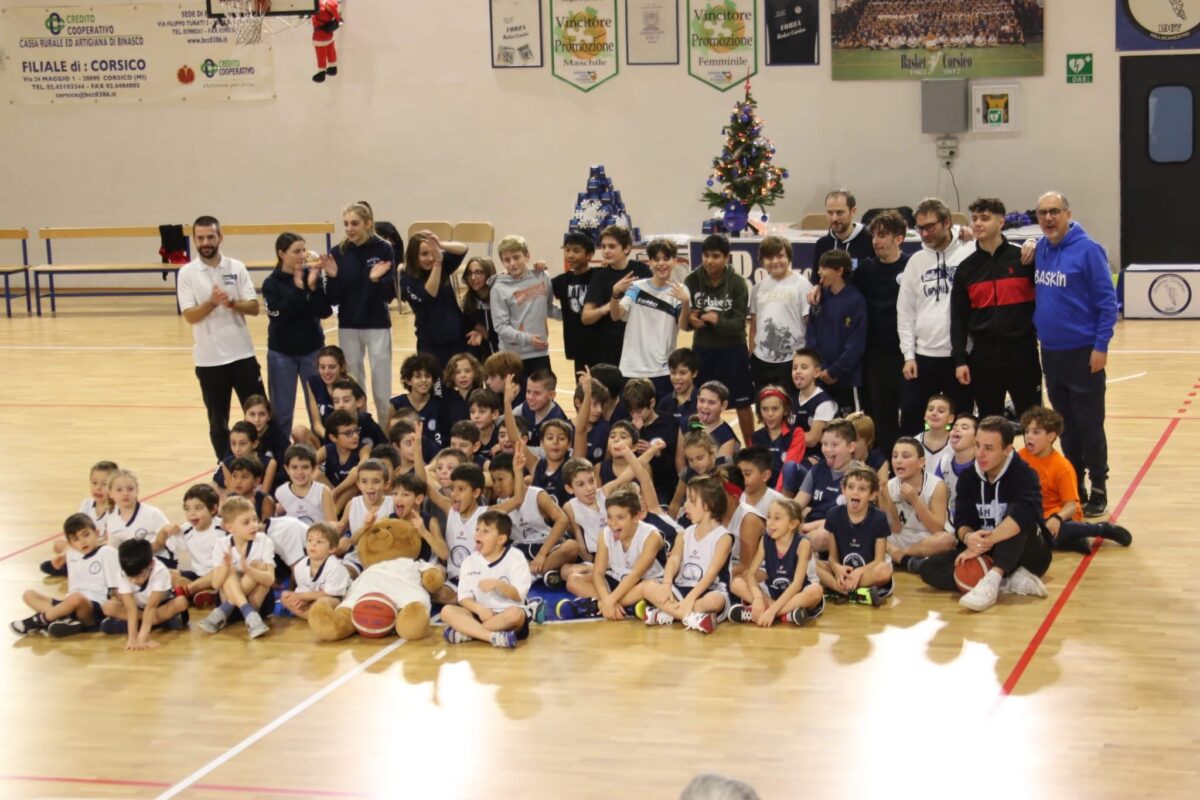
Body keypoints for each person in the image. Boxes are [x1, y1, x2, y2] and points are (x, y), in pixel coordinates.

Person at [1031, 191, 1119, 517]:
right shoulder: (1040, 248)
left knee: (1090, 425)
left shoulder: (1088, 250)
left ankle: (1099, 485)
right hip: (1051, 354)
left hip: (1083, 353)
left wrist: (1101, 346)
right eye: (1042, 213)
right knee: (1065, 425)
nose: (1049, 218)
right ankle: (1075, 485)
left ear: (1068, 214)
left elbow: (1108, 303)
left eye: (1054, 211)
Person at [918, 416, 1054, 612]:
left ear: (1007, 450)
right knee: (929, 568)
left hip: (1030, 553)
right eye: (977, 445)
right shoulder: (968, 477)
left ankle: (992, 581)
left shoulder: (1024, 474)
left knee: (1016, 520)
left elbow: (1024, 515)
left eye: (989, 448)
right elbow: (962, 519)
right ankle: (1006, 582)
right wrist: (968, 537)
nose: (980, 454)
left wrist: (983, 543)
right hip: (986, 550)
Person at [177, 214, 265, 459]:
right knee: (218, 421)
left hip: (242, 355)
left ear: (220, 237)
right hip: (209, 361)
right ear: (194, 240)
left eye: (210, 237)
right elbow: (190, 316)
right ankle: (225, 465)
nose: (205, 242)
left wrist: (232, 303)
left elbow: (254, 307)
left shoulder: (236, 267)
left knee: (259, 412)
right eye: (200, 237)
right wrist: (212, 303)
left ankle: (265, 460)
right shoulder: (187, 273)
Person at [951, 197, 1042, 419]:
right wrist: (960, 360)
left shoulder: (1024, 261)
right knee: (989, 424)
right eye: (974, 219)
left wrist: (1034, 242)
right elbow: (958, 319)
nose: (978, 224)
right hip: (983, 360)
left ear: (1001, 223)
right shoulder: (966, 269)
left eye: (985, 218)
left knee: (1034, 423)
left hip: (1023, 355)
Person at [897, 197, 974, 433]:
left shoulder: (970, 250)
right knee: (911, 418)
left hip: (960, 356)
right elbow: (905, 311)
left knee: (961, 420)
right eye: (920, 228)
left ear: (947, 222)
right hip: (923, 356)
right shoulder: (916, 262)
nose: (924, 234)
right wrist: (908, 354)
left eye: (930, 226)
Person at [1018, 406, 1132, 552]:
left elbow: (1071, 506)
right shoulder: (1020, 457)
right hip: (1034, 515)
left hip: (1060, 515)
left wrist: (1057, 518)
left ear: (1051, 436)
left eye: (1036, 432)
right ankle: (1074, 541)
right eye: (1026, 431)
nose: (1028, 436)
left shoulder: (1062, 467)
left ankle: (1099, 529)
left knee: (1044, 535)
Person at [324, 201, 396, 423]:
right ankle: (360, 431)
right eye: (346, 224)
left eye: (354, 223)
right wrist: (333, 278)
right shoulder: (338, 252)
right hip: (349, 326)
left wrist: (375, 280)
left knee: (382, 391)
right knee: (355, 388)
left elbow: (389, 295)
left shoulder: (384, 249)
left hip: (377, 325)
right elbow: (333, 299)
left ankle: (384, 436)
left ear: (368, 223)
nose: (349, 229)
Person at [684, 234, 756, 442]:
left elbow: (738, 324)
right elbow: (684, 320)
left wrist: (717, 320)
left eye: (716, 256)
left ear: (727, 258)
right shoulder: (692, 280)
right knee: (700, 403)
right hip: (702, 351)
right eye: (706, 256)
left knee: (742, 403)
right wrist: (691, 321)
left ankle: (750, 448)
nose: (709, 261)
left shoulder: (737, 284)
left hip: (733, 351)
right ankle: (698, 442)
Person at [640, 475, 733, 633]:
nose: (685, 505)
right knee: (647, 587)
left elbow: (711, 573)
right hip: (683, 588)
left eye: (691, 500)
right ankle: (690, 617)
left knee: (714, 601)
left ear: (708, 505)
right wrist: (667, 584)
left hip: (710, 589)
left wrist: (690, 599)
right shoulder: (684, 533)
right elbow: (674, 560)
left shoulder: (723, 537)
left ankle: (668, 613)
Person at [261, 232, 333, 437]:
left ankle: (322, 455)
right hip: (282, 353)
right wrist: (300, 289)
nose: (302, 255)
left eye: (304, 250)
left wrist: (313, 287)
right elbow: (278, 316)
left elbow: (325, 312)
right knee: (282, 412)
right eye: (296, 251)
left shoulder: (313, 276)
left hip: (312, 351)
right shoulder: (271, 284)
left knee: (318, 410)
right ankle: (282, 455)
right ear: (282, 254)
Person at [852, 211, 911, 455]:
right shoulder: (866, 270)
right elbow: (844, 295)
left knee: (910, 411)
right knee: (881, 414)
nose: (876, 240)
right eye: (874, 235)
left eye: (883, 235)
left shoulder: (911, 266)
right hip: (875, 354)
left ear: (899, 239)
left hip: (906, 354)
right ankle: (887, 465)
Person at [11, 513, 118, 637]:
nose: (82, 541)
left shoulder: (108, 553)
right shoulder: (71, 554)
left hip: (93, 609)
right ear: (70, 543)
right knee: (28, 594)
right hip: (70, 604)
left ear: (97, 533)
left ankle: (37, 621)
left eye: (86, 534)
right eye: (76, 539)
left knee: (76, 598)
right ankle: (62, 620)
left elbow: (115, 589)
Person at [441, 511, 532, 649]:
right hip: (480, 613)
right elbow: (464, 598)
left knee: (515, 615)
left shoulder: (516, 557)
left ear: (501, 539)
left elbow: (518, 594)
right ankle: (493, 637)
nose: (478, 534)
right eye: (477, 529)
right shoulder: (469, 562)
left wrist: (498, 584)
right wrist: (479, 609)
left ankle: (468, 633)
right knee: (447, 611)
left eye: (485, 531)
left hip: (506, 616)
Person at [612, 238, 690, 399]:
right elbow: (616, 315)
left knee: (662, 419)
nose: (661, 263)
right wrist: (614, 294)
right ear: (650, 262)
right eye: (656, 259)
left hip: (662, 369)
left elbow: (683, 325)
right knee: (631, 420)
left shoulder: (680, 291)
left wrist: (685, 302)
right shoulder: (636, 288)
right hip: (631, 367)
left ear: (674, 261)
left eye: (666, 258)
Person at [728, 498, 824, 626]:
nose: (769, 523)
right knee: (736, 583)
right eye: (768, 517)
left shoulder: (803, 544)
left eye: (777, 518)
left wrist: (772, 611)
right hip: (773, 590)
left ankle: (760, 613)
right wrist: (757, 598)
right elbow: (751, 574)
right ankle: (786, 615)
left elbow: (797, 584)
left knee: (816, 591)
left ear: (793, 524)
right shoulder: (765, 540)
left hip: (796, 593)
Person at [197, 496, 275, 637]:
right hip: (233, 611)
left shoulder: (264, 541)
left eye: (255, 519)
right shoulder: (221, 544)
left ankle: (231, 611)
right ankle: (246, 612)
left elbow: (270, 580)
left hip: (257, 606)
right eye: (246, 522)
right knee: (229, 570)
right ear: (229, 527)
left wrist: (249, 570)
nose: (253, 525)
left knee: (259, 566)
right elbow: (215, 584)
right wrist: (226, 567)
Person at [818, 465, 894, 605]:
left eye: (862, 489)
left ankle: (837, 589)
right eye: (851, 487)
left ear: (872, 495)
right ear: (843, 490)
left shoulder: (879, 518)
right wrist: (837, 568)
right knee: (810, 563)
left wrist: (858, 572)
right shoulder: (834, 514)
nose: (856, 492)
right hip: (842, 571)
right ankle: (851, 591)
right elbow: (833, 557)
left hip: (866, 571)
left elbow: (879, 560)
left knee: (884, 571)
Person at [878, 437, 954, 574]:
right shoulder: (889, 486)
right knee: (874, 534)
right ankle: (908, 560)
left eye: (905, 456)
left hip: (926, 538)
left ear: (921, 462)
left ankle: (900, 557)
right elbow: (895, 528)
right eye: (895, 456)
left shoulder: (937, 486)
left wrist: (916, 501)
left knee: (946, 540)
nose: (898, 460)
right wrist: (884, 498)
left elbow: (937, 529)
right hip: (901, 536)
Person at [582, 225, 652, 368]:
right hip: (611, 348)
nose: (606, 251)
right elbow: (586, 317)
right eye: (603, 246)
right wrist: (606, 308)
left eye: (612, 246)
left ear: (626, 248)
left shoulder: (641, 270)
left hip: (639, 344)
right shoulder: (599, 276)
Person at [99, 539, 191, 647]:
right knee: (107, 607)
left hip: (159, 606)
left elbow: (151, 606)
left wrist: (143, 638)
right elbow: (131, 608)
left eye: (139, 575)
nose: (134, 581)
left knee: (181, 602)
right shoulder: (123, 573)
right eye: (130, 577)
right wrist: (132, 638)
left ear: (151, 564)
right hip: (140, 610)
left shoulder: (160, 571)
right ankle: (158, 623)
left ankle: (145, 625)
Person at [748, 235, 811, 392]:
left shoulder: (802, 285)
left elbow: (810, 324)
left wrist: (805, 359)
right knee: (765, 410)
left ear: (788, 257)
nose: (775, 261)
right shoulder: (758, 288)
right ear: (762, 261)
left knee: (789, 409)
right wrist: (751, 355)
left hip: (791, 360)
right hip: (761, 361)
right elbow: (754, 324)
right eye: (769, 257)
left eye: (780, 256)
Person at [807, 250, 867, 414]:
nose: (819, 271)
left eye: (824, 267)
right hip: (821, 377)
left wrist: (834, 370)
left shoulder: (856, 300)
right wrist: (821, 368)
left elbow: (856, 343)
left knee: (850, 428)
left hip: (847, 379)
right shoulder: (818, 298)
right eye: (819, 267)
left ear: (840, 271)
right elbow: (811, 337)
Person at [399, 230, 469, 368]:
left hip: (457, 338)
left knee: (462, 382)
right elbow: (429, 295)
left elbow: (463, 249)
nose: (430, 258)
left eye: (432, 252)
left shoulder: (440, 263)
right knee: (436, 387)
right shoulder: (406, 279)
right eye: (424, 254)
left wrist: (440, 244)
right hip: (431, 343)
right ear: (414, 256)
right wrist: (437, 262)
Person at [491, 234, 559, 374]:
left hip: (540, 352)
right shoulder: (498, 288)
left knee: (542, 394)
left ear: (527, 256)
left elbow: (549, 308)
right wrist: (528, 339)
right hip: (513, 355)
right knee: (516, 395)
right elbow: (500, 326)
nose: (512, 263)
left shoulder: (541, 276)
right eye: (506, 260)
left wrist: (574, 316)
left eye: (516, 257)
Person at [280, 522, 352, 619]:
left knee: (323, 602)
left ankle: (307, 614)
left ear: (331, 549)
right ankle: (309, 615)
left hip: (337, 598)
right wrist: (299, 599)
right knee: (285, 596)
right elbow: (304, 591)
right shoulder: (300, 566)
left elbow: (330, 594)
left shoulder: (336, 568)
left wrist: (301, 596)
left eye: (319, 542)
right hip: (313, 597)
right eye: (309, 540)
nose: (313, 544)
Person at [552, 231, 597, 377]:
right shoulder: (561, 281)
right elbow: (538, 290)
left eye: (576, 251)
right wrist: (540, 272)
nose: (570, 255)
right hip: (578, 346)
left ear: (589, 255)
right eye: (567, 250)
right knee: (582, 389)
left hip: (600, 344)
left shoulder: (599, 276)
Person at [812, 189, 875, 275]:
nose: (834, 218)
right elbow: (816, 281)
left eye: (840, 212)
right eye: (830, 213)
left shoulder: (870, 241)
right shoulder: (822, 244)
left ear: (853, 211)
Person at [462, 256, 499, 359]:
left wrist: (487, 334)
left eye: (479, 272)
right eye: (470, 273)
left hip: (504, 357)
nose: (473, 278)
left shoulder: (501, 299)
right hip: (482, 359)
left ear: (489, 274)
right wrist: (477, 332)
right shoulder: (469, 302)